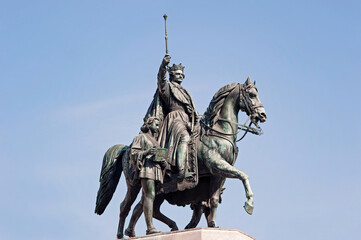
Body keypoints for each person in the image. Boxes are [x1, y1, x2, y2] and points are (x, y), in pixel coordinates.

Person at [155, 54, 199, 178]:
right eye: (178, 74)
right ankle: (180, 170)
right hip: (175, 119)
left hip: (187, 120)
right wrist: (163, 65)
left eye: (182, 74)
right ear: (172, 74)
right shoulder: (168, 87)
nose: (181, 76)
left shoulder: (185, 92)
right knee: (185, 138)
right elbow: (161, 80)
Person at [129, 116, 167, 235]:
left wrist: (163, 160)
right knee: (149, 196)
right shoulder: (141, 137)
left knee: (144, 199)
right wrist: (147, 152)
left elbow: (162, 159)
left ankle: (130, 228)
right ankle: (150, 228)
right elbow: (133, 153)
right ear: (149, 124)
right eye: (156, 124)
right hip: (147, 169)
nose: (158, 127)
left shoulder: (156, 141)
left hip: (155, 169)